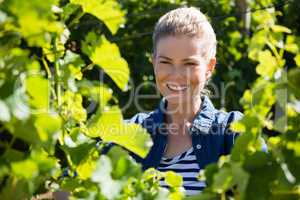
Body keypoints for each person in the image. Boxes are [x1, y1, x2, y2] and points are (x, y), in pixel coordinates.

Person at [110, 6, 267, 196]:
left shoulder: (233, 132)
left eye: (189, 63)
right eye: (165, 62)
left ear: (209, 67)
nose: (176, 75)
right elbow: (73, 186)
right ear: (153, 63)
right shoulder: (129, 132)